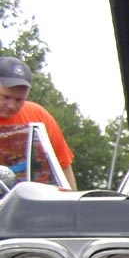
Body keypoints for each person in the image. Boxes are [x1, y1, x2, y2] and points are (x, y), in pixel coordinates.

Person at [0, 56, 76, 189]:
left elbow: (63, 166)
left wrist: (73, 206)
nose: (11, 105)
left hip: (36, 204)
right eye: (6, 97)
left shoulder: (38, 116)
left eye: (19, 100)